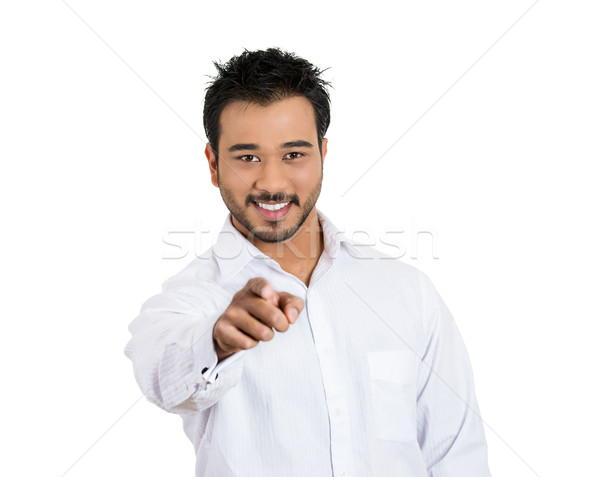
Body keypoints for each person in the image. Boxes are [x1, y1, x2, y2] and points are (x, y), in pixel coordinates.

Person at [124, 47, 491, 477]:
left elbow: (455, 454)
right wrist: (218, 342)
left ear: (323, 153)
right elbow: (164, 374)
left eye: (294, 154)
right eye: (247, 158)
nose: (272, 182)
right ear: (213, 163)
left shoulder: (408, 291)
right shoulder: (190, 300)